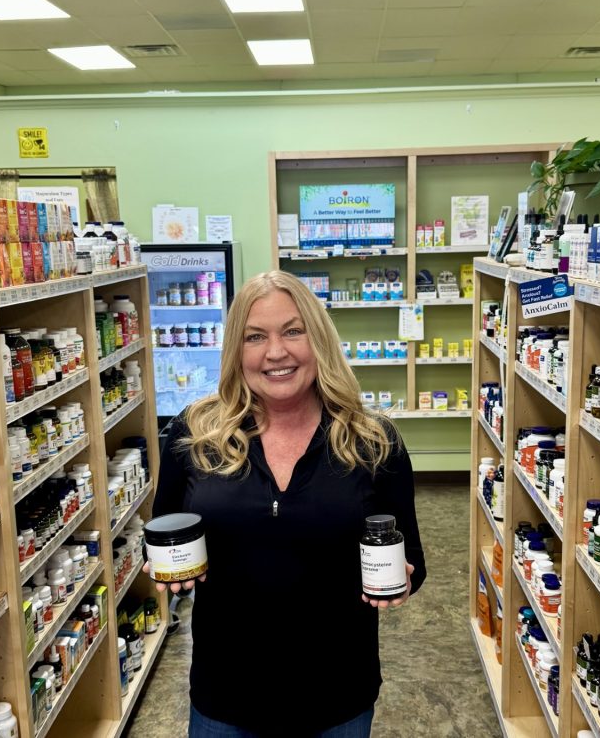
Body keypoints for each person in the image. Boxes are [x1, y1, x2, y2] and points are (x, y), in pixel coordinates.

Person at [149, 269, 426, 738]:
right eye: (255, 336)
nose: (275, 352)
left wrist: (402, 580)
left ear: (319, 339)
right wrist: (164, 568)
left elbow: (411, 556)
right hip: (225, 695)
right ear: (236, 350)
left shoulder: (374, 440)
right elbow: (162, 531)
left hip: (337, 694)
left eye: (293, 331)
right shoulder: (193, 434)